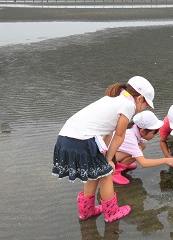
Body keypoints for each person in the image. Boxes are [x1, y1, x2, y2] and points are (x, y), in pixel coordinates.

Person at [52, 76, 155, 222]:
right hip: (81, 140)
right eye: (146, 105)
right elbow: (119, 136)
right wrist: (109, 160)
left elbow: (108, 131)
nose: (144, 108)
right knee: (107, 174)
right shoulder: (128, 105)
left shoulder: (114, 98)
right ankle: (112, 213)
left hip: (66, 139)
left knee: (96, 173)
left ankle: (86, 211)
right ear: (140, 99)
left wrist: (106, 155)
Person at [113, 110, 173, 184]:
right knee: (138, 150)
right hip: (106, 159)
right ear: (142, 131)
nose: (155, 135)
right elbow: (143, 163)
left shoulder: (133, 128)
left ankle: (121, 164)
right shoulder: (130, 137)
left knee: (142, 146)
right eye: (154, 132)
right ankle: (115, 172)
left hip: (112, 152)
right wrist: (166, 160)